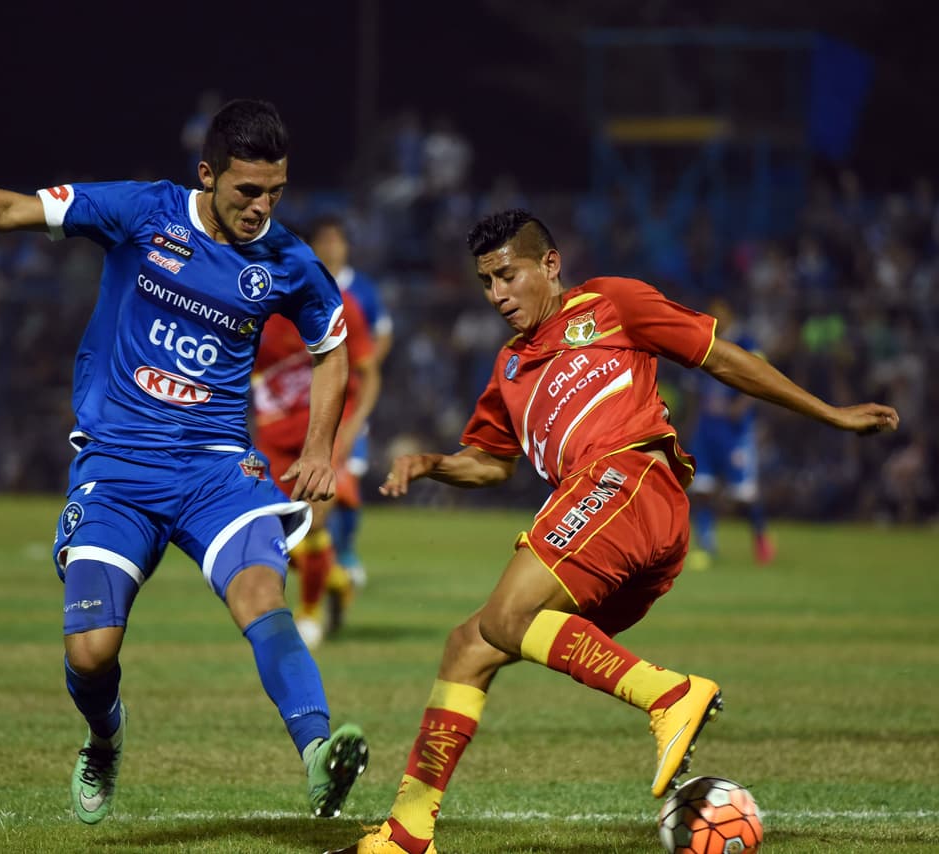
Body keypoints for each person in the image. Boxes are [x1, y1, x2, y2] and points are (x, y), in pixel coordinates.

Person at [0, 98, 370, 826]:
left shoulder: (287, 261)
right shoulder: (140, 211)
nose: (262, 207)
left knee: (262, 597)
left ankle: (319, 754)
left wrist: (318, 447)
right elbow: (9, 211)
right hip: (118, 467)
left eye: (275, 192)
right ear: (206, 174)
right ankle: (104, 739)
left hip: (217, 467)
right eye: (247, 191)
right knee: (92, 652)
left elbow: (333, 349)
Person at [327, 210, 899, 854]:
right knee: (470, 645)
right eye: (487, 283)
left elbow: (721, 359)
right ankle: (407, 832)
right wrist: (433, 464)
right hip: (607, 522)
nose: (498, 296)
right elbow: (491, 462)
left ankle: (671, 694)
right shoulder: (510, 369)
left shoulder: (612, 303)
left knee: (505, 616)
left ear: (550, 264)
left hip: (628, 482)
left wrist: (830, 415)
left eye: (508, 276)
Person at [251, 245, 382, 646]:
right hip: (274, 437)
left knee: (317, 523)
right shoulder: (258, 306)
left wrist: (352, 427)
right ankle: (337, 580)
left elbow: (367, 370)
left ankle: (308, 616)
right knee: (273, 537)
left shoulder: (342, 306)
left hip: (325, 434)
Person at [307, 215, 394, 590]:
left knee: (347, 478)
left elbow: (382, 334)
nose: (330, 248)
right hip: (307, 402)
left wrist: (362, 366)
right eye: (323, 240)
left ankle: (343, 553)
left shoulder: (361, 290)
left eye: (336, 241)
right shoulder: (304, 285)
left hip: (349, 401)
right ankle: (325, 559)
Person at [684, 296, 776, 569]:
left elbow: (763, 377)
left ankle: (760, 537)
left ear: (730, 314)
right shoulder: (704, 341)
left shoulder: (746, 343)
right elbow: (693, 388)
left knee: (744, 495)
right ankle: (707, 544)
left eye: (719, 312)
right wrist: (690, 422)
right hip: (707, 429)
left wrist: (741, 404)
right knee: (701, 489)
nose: (715, 318)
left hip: (735, 431)